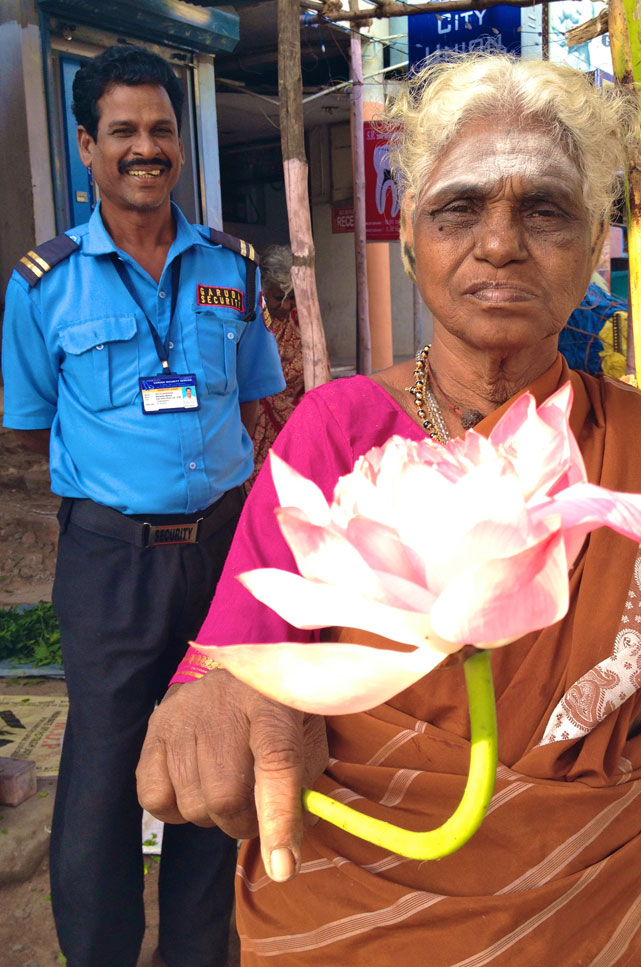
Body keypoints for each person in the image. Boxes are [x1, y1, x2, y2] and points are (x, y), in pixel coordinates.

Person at [137, 52, 641, 965]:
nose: (499, 243)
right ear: (413, 238)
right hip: (370, 916)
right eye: (459, 209)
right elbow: (228, 666)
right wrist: (218, 697)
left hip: (625, 906)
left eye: (544, 210)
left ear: (592, 248)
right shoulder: (338, 429)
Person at [1, 45, 285, 967]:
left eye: (161, 129)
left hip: (219, 554)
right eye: (122, 131)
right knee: (100, 781)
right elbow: (33, 422)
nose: (145, 147)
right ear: (87, 147)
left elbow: (256, 403)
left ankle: (199, 954)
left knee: (213, 759)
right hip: (110, 562)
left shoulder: (229, 266)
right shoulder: (42, 284)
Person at [249, 244, 305, 485]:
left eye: (290, 298)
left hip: (295, 435)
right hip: (251, 435)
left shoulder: (304, 326)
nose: (284, 305)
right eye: (277, 297)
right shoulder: (249, 322)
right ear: (261, 289)